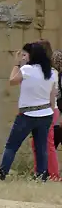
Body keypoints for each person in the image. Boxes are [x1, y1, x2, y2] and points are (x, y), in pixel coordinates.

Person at [0, 43, 57, 181]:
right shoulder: (52, 72)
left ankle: (2, 174)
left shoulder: (27, 70)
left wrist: (16, 64)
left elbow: (12, 80)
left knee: (11, 146)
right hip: (45, 113)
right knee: (41, 148)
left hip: (27, 114)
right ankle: (41, 176)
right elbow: (52, 97)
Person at [29, 40, 60, 180]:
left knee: (47, 142)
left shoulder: (50, 71)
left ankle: (53, 174)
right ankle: (40, 171)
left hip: (48, 109)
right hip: (42, 108)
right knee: (36, 142)